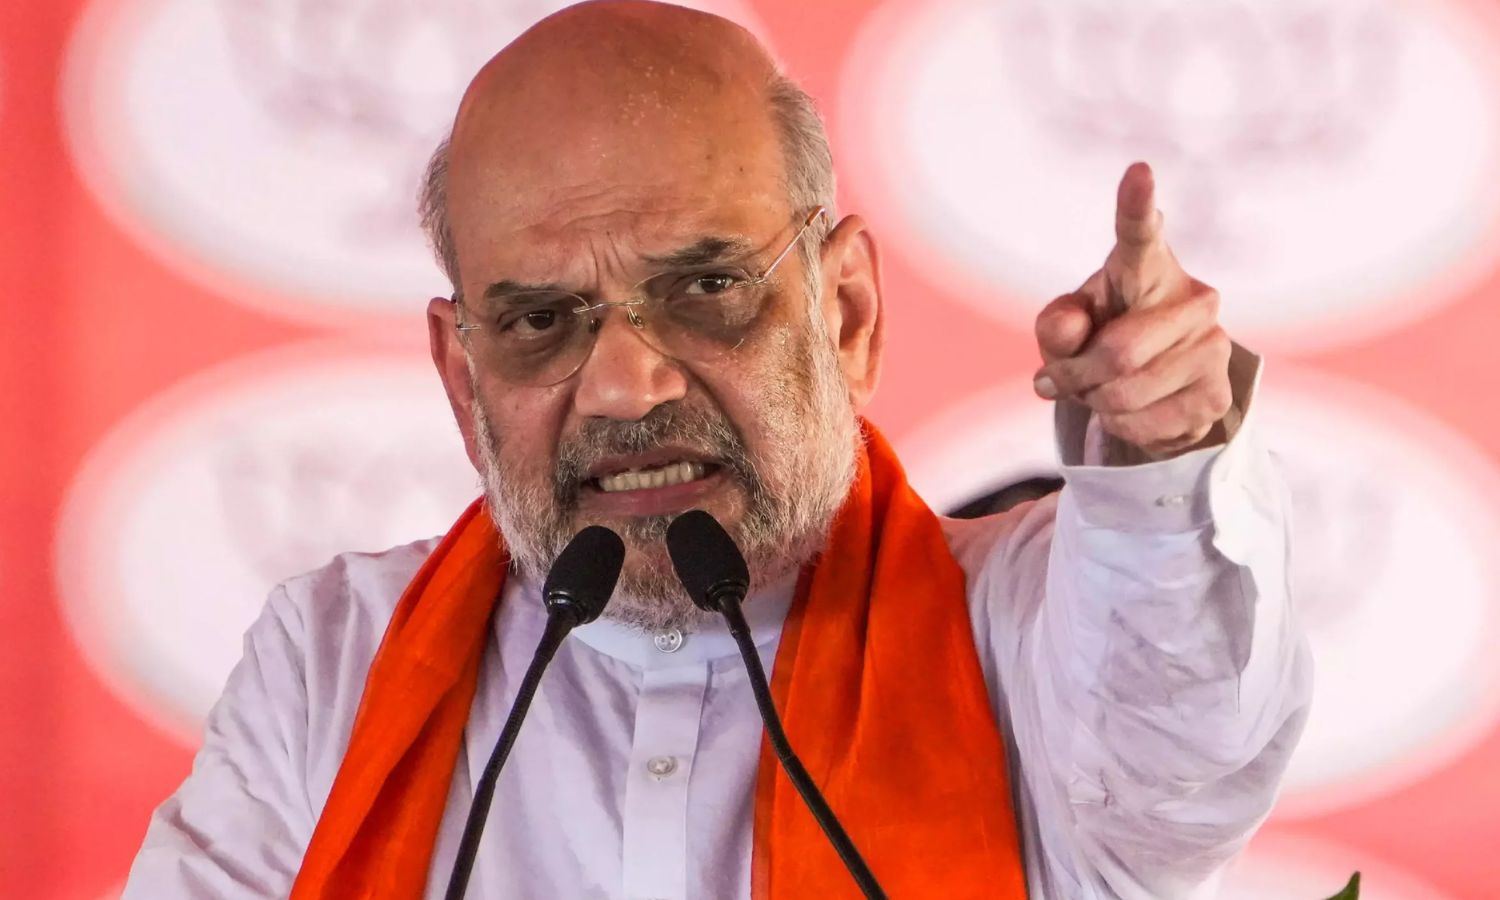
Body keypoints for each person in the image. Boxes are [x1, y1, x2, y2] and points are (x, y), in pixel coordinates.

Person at [122, 2, 1312, 898]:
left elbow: (1178, 743)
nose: (625, 385)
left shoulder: (1025, 635)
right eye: (541, 321)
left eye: (705, 290)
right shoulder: (333, 665)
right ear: (462, 375)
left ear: (846, 313)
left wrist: (1165, 455)